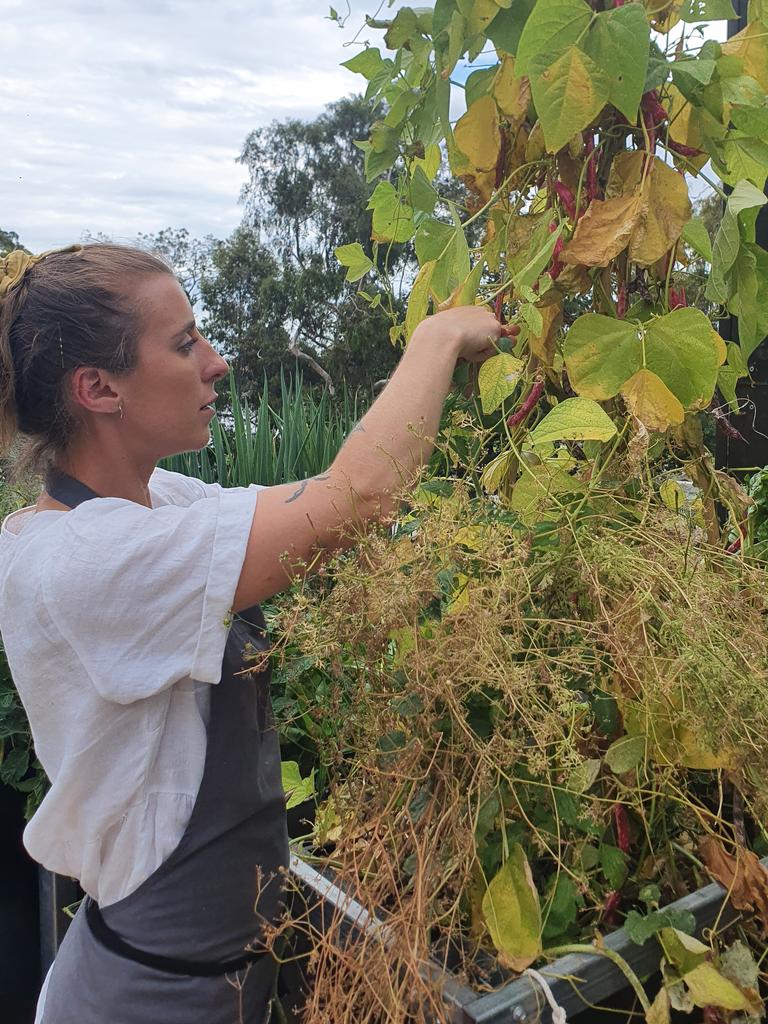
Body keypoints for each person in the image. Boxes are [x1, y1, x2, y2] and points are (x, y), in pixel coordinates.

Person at [0, 243, 502, 1024]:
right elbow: (358, 496)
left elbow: (319, 502)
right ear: (99, 388)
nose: (217, 362)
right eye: (184, 343)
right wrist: (436, 340)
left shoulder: (158, 502)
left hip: (225, 981)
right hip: (149, 1000)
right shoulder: (82, 562)